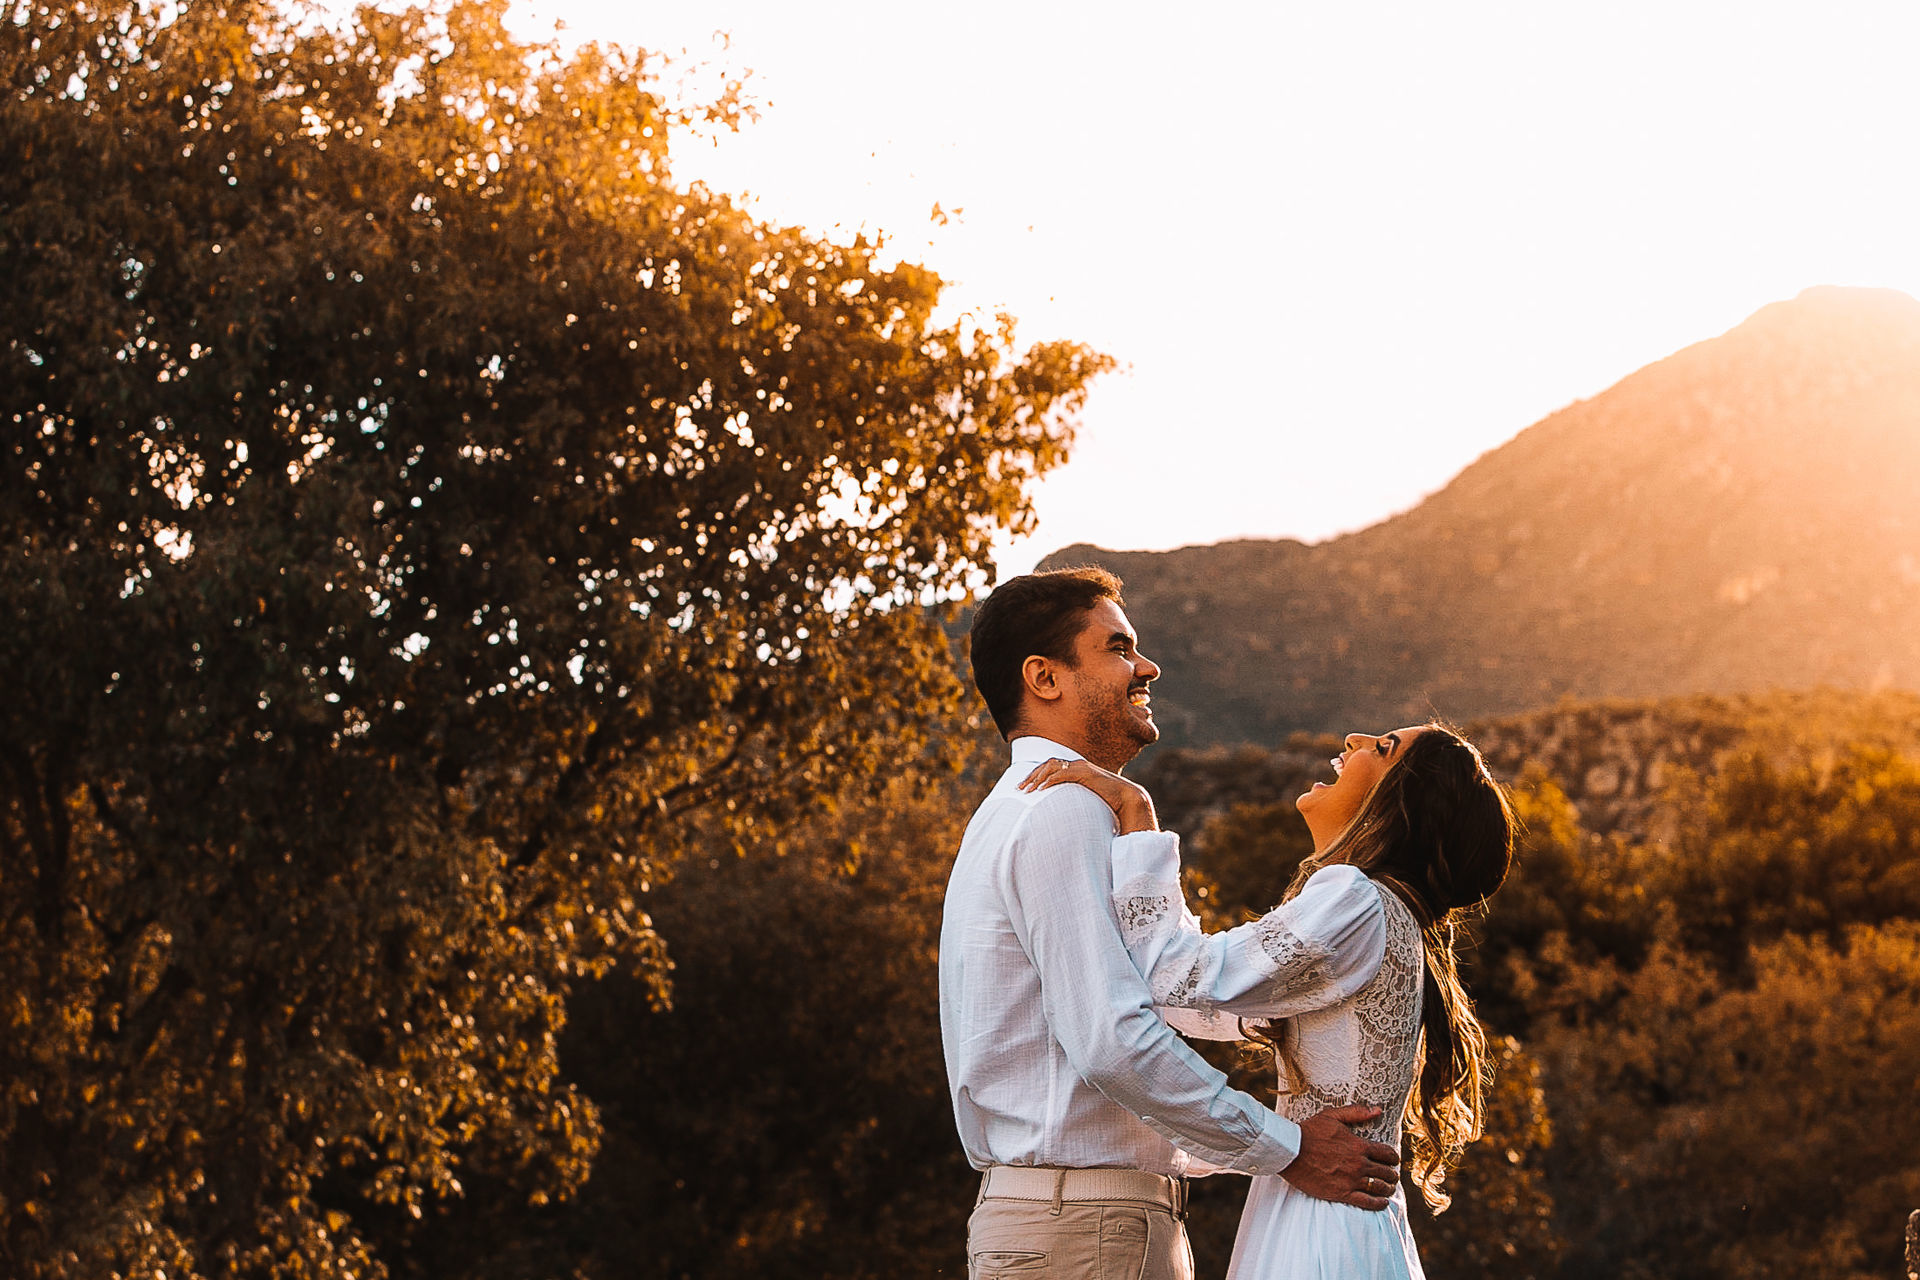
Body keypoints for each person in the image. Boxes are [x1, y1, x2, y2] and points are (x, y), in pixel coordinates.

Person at [941, 568, 1402, 1280]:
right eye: (1118, 648)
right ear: (1044, 677)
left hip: (1076, 1224)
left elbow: (1157, 996)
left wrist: (1284, 1027)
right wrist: (1288, 1147)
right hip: (1088, 1233)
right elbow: (1111, 1040)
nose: (1147, 666)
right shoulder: (1062, 812)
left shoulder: (1016, 811)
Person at [1022, 722, 1518, 1279]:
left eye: (1382, 748)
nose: (1354, 738)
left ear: (1400, 805)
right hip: (1338, 1216)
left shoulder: (1356, 900)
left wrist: (1138, 817)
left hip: (1320, 1227)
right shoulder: (1387, 918)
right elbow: (1195, 1003)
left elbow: (1174, 976)